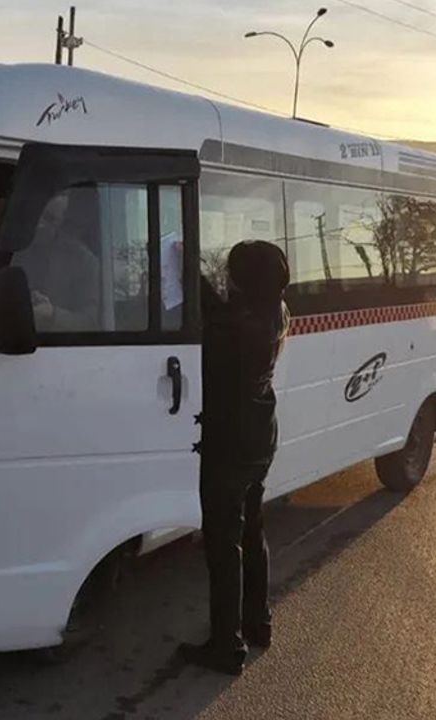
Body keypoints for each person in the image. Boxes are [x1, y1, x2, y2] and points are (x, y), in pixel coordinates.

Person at [183, 240, 291, 676]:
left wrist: (186, 265)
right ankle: (258, 623)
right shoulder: (274, 311)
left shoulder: (234, 327)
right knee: (252, 529)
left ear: (245, 279)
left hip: (230, 443)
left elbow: (213, 314)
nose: (226, 277)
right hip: (261, 435)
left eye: (232, 271)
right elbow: (220, 309)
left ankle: (226, 646)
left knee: (223, 543)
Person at [18, 190, 101, 332]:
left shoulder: (83, 261)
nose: (39, 224)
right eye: (36, 215)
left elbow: (91, 323)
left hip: (56, 343)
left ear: (63, 220)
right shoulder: (5, 248)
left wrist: (52, 314)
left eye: (49, 218)